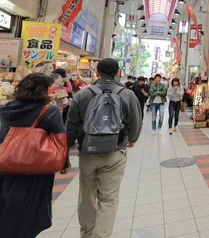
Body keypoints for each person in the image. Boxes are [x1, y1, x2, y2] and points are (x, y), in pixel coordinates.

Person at [66, 58, 141, 238]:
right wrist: (132, 138)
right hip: (114, 152)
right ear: (118, 73)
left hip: (87, 152)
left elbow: (70, 127)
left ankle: (87, 233)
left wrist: (65, 153)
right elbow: (136, 122)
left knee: (86, 195)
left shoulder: (82, 95)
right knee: (108, 199)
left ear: (97, 73)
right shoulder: (127, 94)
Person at [0, 73, 70, 238]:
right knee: (32, 208)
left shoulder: (4, 108)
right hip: (37, 168)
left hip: (6, 165)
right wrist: (64, 162)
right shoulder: (49, 110)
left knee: (7, 204)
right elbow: (60, 138)